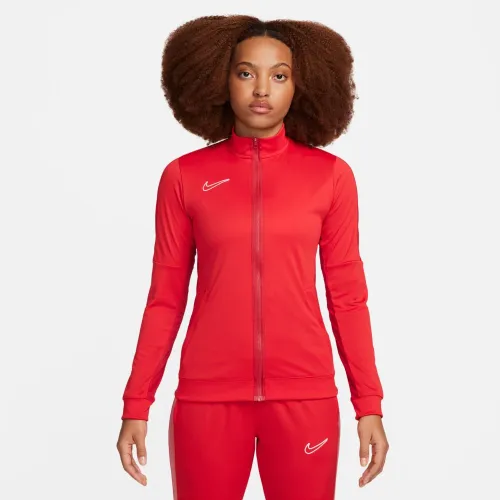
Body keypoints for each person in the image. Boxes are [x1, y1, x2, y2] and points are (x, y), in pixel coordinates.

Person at [116, 14, 389, 499]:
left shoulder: (330, 177)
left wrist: (368, 403)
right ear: (220, 80)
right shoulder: (184, 177)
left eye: (279, 75)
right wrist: (137, 403)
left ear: (300, 85)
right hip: (207, 399)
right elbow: (165, 299)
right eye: (246, 73)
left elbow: (347, 298)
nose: (262, 89)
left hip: (305, 397)